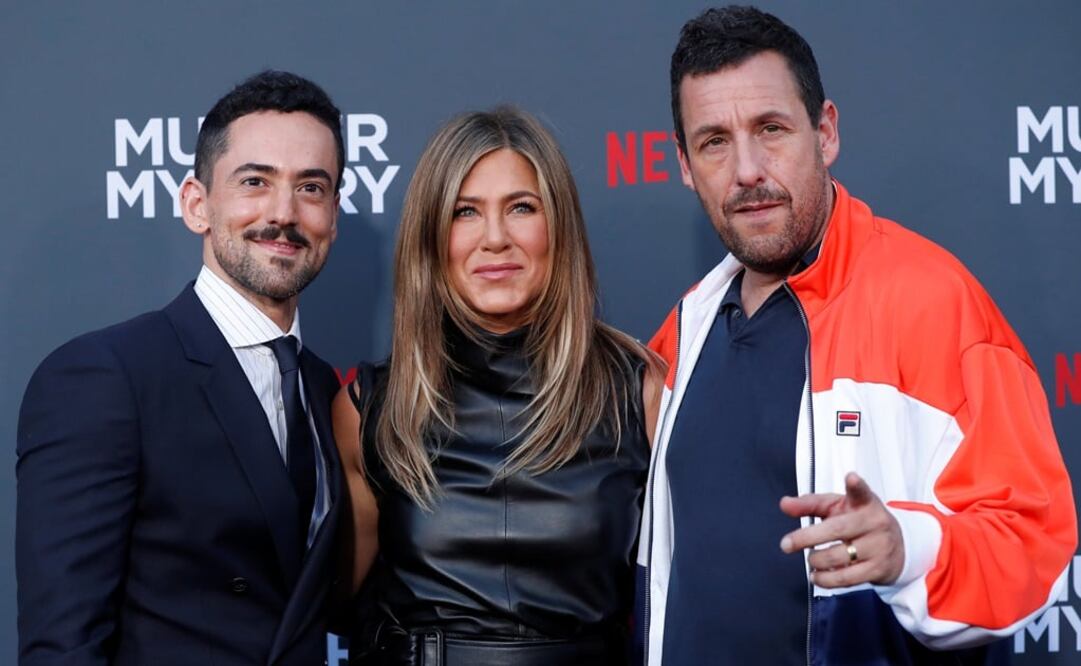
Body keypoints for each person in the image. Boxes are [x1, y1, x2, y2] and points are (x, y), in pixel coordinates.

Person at [638, 6, 1077, 665]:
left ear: (825, 133)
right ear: (683, 163)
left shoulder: (933, 302)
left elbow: (1032, 544)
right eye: (714, 142)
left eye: (770, 129)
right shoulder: (684, 328)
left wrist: (909, 550)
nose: (747, 170)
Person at [16, 71, 346, 666]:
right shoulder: (106, 378)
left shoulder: (324, 387)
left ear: (334, 216)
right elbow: (64, 644)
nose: (284, 212)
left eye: (311, 187)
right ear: (197, 204)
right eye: (255, 181)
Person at [332, 106, 664, 665]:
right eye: (465, 212)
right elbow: (326, 605)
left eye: (521, 208)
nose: (495, 239)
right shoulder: (373, 410)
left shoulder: (636, 390)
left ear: (558, 226)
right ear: (431, 236)